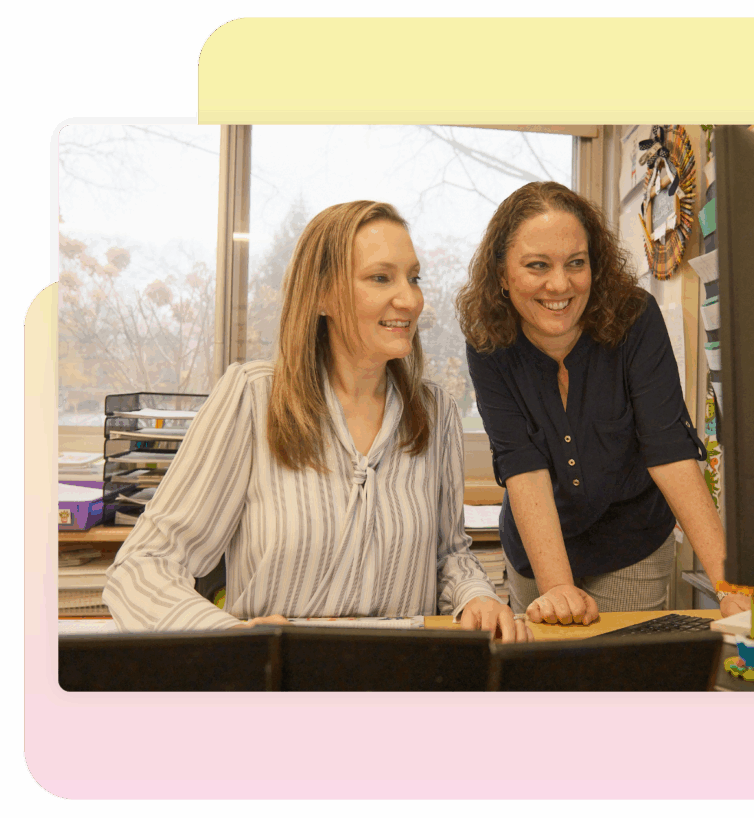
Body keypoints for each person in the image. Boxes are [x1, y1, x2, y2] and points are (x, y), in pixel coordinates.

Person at [103, 201, 532, 643]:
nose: (410, 299)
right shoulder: (253, 397)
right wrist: (229, 639)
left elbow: (448, 557)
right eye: (381, 277)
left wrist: (476, 595)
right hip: (278, 687)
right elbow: (143, 567)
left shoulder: (435, 410)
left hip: (401, 683)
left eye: (414, 277)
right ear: (322, 294)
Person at [455, 181, 751, 626]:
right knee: (547, 680)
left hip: (630, 543)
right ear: (501, 274)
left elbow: (668, 449)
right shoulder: (489, 342)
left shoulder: (635, 317)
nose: (560, 284)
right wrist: (557, 590)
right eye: (537, 265)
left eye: (576, 263)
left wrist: (731, 586)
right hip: (537, 545)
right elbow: (522, 465)